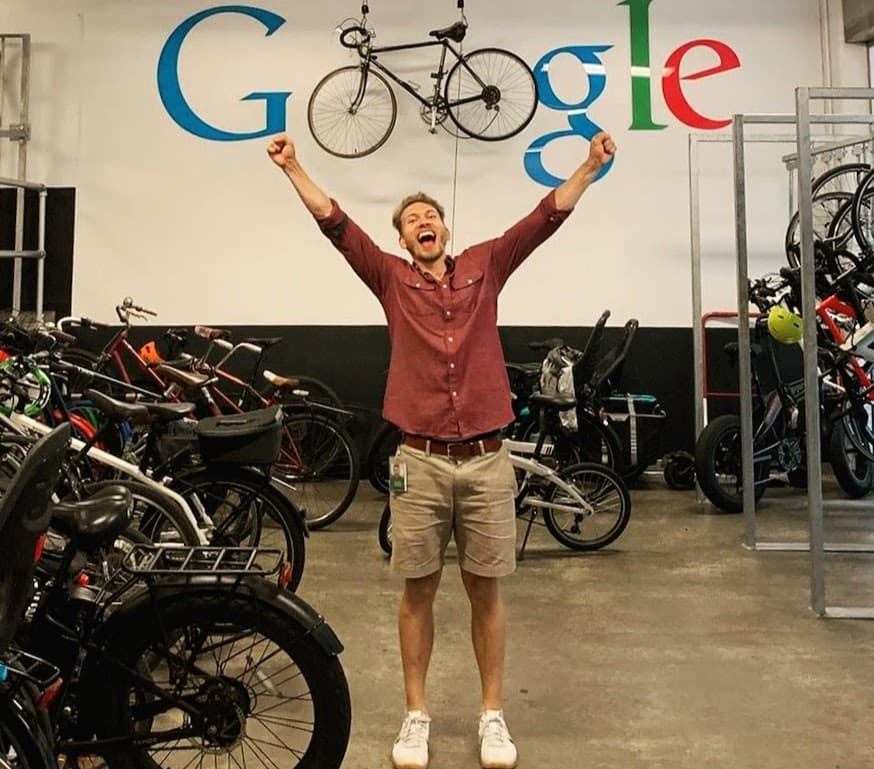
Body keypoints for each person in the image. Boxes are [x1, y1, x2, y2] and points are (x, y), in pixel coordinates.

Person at [267, 130, 616, 769]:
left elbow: (544, 219)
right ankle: (415, 715)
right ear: (401, 241)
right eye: (411, 221)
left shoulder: (487, 264)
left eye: (431, 216)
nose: (423, 223)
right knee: (417, 591)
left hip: (487, 460)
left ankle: (491, 716)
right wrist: (294, 167)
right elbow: (335, 224)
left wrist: (589, 167)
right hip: (418, 462)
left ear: (445, 230)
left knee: (486, 590)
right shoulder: (390, 278)